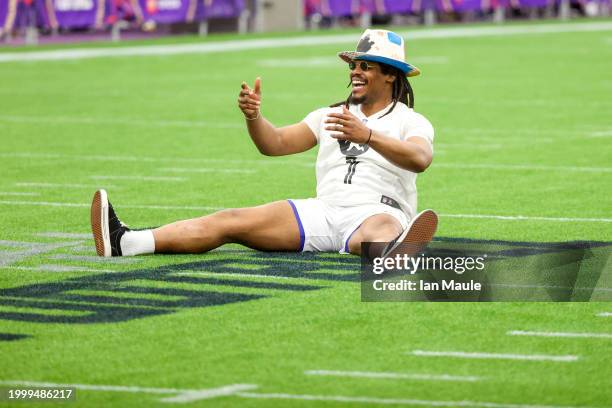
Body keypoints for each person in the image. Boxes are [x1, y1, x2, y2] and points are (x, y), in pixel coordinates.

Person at [90, 29, 438, 259]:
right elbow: (275, 143)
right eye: (354, 65)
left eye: (366, 66)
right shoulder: (329, 114)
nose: (355, 71)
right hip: (324, 210)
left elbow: (421, 158)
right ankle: (126, 243)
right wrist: (254, 117)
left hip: (378, 210)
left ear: (391, 74)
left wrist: (368, 136)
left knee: (382, 229)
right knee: (230, 220)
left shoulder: (410, 120)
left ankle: (393, 252)